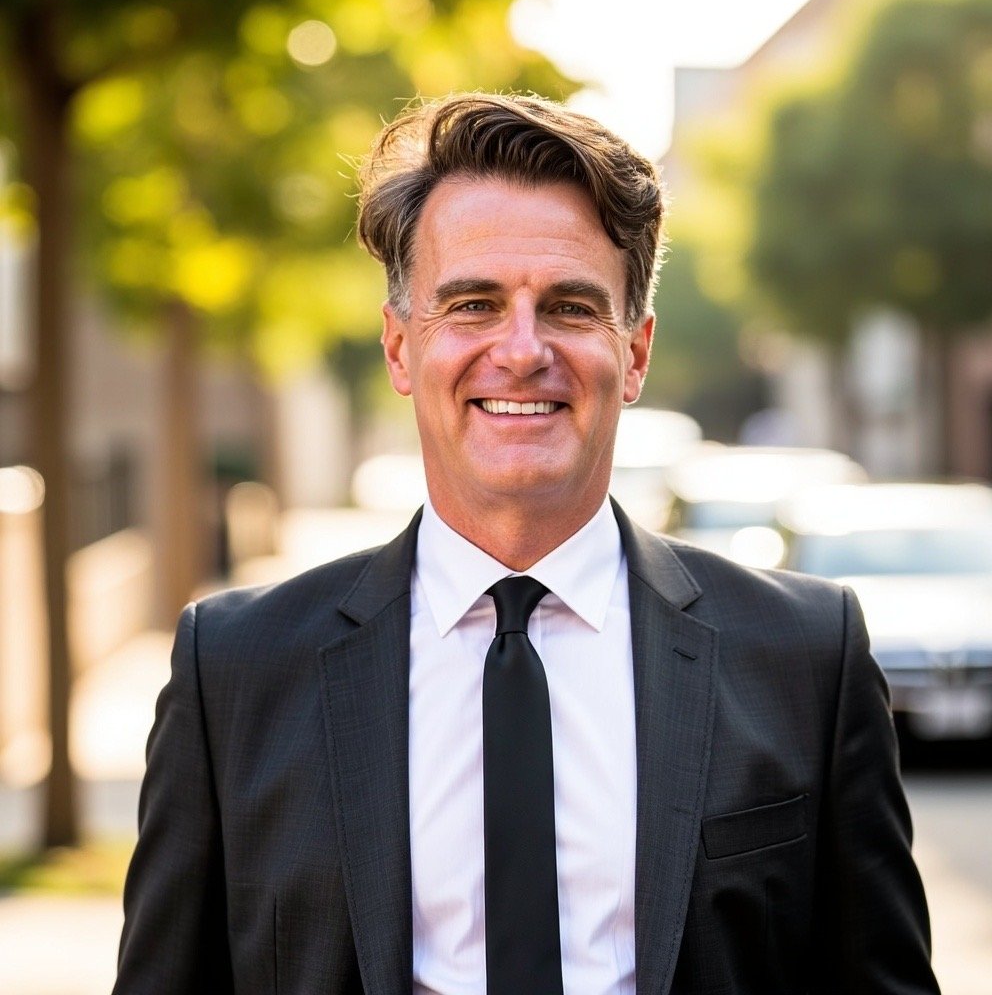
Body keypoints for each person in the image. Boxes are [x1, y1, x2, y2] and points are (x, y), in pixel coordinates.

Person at [113, 93, 940, 995]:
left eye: (571, 307)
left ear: (634, 355)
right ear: (399, 348)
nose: (521, 350)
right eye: (472, 304)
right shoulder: (234, 669)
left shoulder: (805, 657)